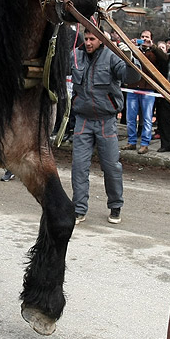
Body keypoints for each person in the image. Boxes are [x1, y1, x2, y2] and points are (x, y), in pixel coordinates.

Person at [70, 26, 126, 224]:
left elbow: (130, 76)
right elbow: (56, 68)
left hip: (106, 121)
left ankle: (115, 206)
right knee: (79, 167)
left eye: (92, 38)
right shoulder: (75, 56)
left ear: (101, 40)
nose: (88, 42)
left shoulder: (112, 57)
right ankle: (78, 209)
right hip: (82, 120)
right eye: (86, 38)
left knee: (111, 167)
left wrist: (130, 57)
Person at [122, 29, 167, 154]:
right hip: (133, 86)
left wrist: (152, 46)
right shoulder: (135, 49)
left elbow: (165, 59)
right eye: (142, 37)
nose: (144, 39)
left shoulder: (155, 51)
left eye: (147, 37)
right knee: (130, 117)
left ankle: (144, 143)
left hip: (148, 88)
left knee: (147, 118)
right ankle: (131, 141)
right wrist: (130, 45)